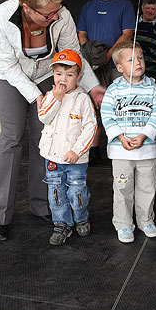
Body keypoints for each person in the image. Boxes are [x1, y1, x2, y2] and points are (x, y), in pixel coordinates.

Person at [0, 0, 104, 242]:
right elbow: (7, 65)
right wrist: (37, 96)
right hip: (10, 77)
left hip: (45, 75)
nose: (55, 15)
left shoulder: (60, 14)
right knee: (11, 137)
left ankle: (43, 206)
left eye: (57, 9)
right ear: (27, 8)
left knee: (45, 136)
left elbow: (73, 57)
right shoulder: (1, 19)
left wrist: (93, 86)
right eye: (48, 13)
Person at [100, 41, 156, 243]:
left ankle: (146, 221)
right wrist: (120, 137)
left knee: (148, 187)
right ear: (119, 68)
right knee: (122, 188)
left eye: (140, 57)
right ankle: (124, 224)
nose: (138, 62)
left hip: (147, 151)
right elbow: (107, 116)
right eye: (131, 60)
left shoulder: (152, 88)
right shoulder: (113, 90)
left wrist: (144, 135)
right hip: (121, 152)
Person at [77, 0, 135, 164]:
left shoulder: (125, 5)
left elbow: (127, 34)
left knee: (120, 106)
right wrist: (91, 54)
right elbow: (81, 35)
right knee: (94, 106)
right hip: (93, 67)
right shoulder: (87, 7)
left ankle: (121, 145)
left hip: (117, 65)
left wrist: (108, 55)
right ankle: (94, 150)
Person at [38, 49, 97, 246]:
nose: (63, 79)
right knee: (56, 192)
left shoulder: (83, 99)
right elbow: (44, 117)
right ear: (53, 75)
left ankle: (81, 217)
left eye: (69, 74)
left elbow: (90, 127)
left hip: (75, 160)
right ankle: (61, 224)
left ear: (78, 76)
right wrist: (57, 98)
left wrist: (77, 150)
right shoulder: (50, 95)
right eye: (58, 74)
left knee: (76, 192)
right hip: (53, 157)